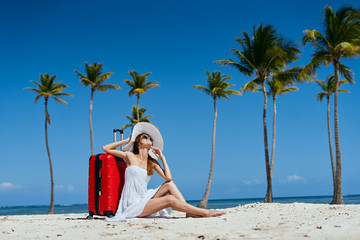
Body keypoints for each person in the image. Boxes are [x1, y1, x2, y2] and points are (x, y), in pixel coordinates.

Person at [102, 122, 226, 221]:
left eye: (150, 138)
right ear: (138, 142)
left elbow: (168, 178)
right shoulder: (129, 156)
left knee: (169, 185)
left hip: (144, 199)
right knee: (169, 200)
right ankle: (206, 212)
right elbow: (106, 148)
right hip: (132, 204)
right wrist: (127, 140)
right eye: (145, 137)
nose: (149, 139)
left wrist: (162, 158)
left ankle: (189, 212)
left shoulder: (152, 162)